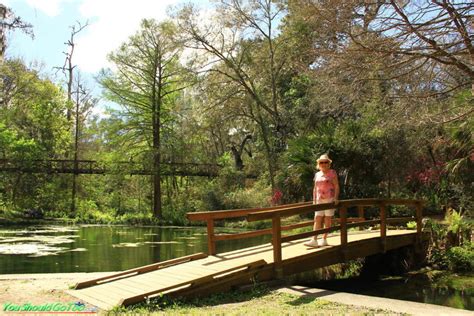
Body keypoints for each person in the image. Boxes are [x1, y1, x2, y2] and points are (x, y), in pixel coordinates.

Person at [305, 154, 339, 247]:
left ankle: (324, 239)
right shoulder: (317, 174)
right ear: (319, 164)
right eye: (321, 162)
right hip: (319, 199)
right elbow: (315, 188)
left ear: (329, 163)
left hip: (329, 199)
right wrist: (314, 200)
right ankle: (314, 240)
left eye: (325, 162)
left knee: (327, 218)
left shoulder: (332, 173)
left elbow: (336, 186)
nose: (323, 164)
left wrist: (336, 198)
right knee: (317, 218)